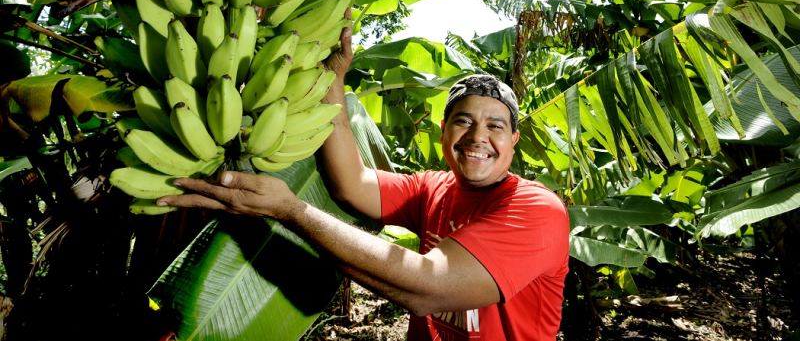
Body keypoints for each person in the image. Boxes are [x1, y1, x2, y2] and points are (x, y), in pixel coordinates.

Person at [157, 26, 571, 341]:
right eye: (464, 121)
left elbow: (431, 286)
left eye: (495, 126)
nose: (478, 136)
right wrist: (333, 82)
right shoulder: (434, 188)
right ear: (443, 132)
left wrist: (290, 209)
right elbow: (352, 184)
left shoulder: (537, 210)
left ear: (513, 141)